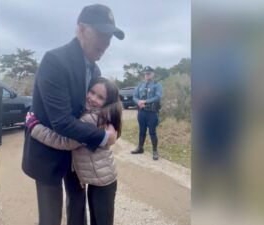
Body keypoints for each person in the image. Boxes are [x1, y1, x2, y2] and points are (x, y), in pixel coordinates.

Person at [21, 4, 124, 225]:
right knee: (51, 217)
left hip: (77, 154)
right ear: (80, 29)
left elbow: (98, 110)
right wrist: (103, 138)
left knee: (77, 209)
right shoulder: (54, 61)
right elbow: (62, 123)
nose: (106, 43)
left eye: (110, 37)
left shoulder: (94, 70)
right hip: (48, 154)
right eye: (102, 34)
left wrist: (110, 124)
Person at [29, 77, 122, 225]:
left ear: (107, 102)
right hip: (99, 179)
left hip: (103, 181)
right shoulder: (98, 114)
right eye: (91, 92)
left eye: (100, 97)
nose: (92, 98)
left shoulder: (91, 119)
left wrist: (35, 127)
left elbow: (64, 142)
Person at [131, 66, 163, 160]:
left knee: (152, 132)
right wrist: (138, 102)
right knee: (141, 131)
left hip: (152, 113)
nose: (147, 75)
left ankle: (155, 151)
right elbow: (134, 96)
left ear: (153, 74)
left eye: (148, 73)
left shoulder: (157, 85)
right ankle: (140, 148)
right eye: (145, 73)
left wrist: (145, 101)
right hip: (142, 113)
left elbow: (157, 97)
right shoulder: (140, 85)